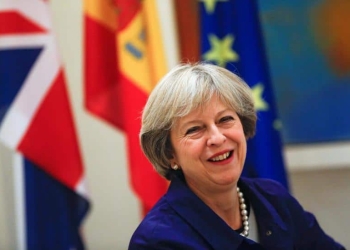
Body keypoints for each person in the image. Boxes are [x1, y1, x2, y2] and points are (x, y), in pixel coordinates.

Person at [128, 63, 345, 250]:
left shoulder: (274, 199)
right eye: (194, 129)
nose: (217, 137)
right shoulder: (157, 241)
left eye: (224, 120)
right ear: (169, 154)